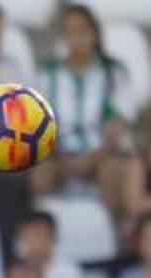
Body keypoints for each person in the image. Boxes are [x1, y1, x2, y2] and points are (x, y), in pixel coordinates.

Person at [30, 4, 134, 217]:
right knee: (38, 175)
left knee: (112, 172)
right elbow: (40, 127)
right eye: (70, 31)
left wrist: (89, 160)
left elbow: (115, 131)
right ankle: (38, 231)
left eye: (82, 30)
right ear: (63, 36)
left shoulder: (113, 73)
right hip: (58, 155)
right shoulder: (47, 75)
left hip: (101, 156)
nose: (76, 38)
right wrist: (61, 159)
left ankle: (118, 232)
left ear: (94, 33)